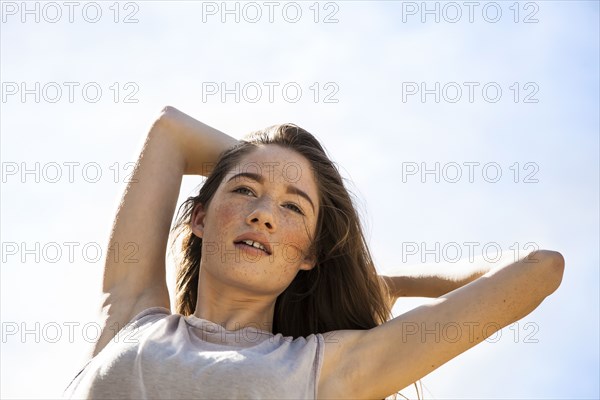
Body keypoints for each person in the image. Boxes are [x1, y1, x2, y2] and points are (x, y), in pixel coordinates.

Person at [64, 106, 565, 399]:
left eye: (293, 209)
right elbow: (170, 130)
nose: (263, 214)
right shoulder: (131, 317)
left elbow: (539, 269)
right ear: (198, 217)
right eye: (243, 191)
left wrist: (388, 284)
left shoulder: (324, 369)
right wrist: (267, 164)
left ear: (310, 254)